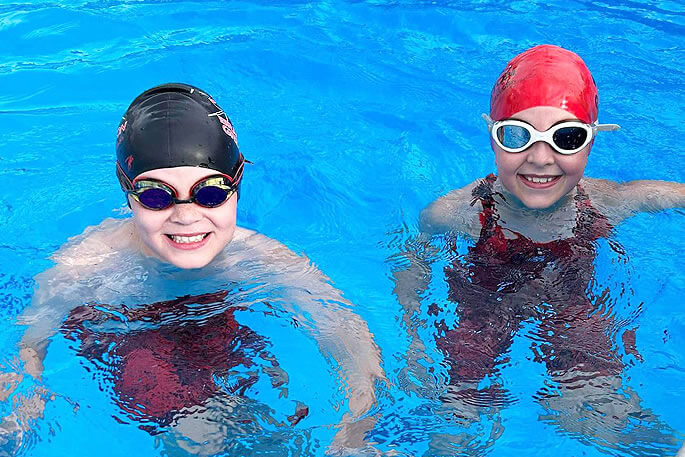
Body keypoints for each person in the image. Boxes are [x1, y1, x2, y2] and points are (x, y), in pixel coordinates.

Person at [0, 83, 383, 454]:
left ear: (237, 186)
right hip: (119, 322)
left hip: (213, 315)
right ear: (127, 191)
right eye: (155, 195)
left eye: (210, 192)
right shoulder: (88, 264)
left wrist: (357, 420)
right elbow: (29, 341)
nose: (186, 217)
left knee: (281, 416)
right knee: (206, 434)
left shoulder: (262, 258)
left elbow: (343, 329)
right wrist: (23, 398)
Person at [392, 45, 684, 454]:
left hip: (570, 306)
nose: (541, 158)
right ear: (491, 133)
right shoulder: (456, 214)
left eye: (567, 137)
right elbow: (414, 255)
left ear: (594, 139)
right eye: (517, 135)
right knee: (457, 414)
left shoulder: (606, 202)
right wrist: (412, 337)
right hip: (483, 305)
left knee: (592, 408)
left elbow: (672, 195)